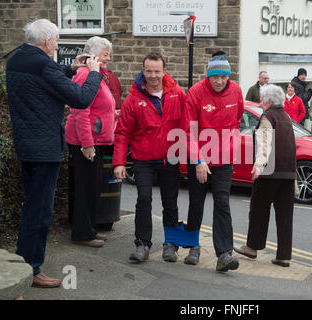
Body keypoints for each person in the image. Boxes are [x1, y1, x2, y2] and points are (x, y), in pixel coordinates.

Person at [6, 19, 102, 288]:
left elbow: (46, 78)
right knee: (40, 213)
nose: (58, 45)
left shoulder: (17, 59)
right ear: (47, 41)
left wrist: (71, 67)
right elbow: (81, 98)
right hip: (44, 149)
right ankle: (32, 269)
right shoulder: (43, 64)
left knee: (32, 208)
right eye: (57, 41)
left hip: (26, 145)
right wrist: (93, 72)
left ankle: (24, 263)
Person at [112, 52, 186, 263]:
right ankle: (142, 244)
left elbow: (187, 125)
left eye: (157, 71)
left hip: (170, 158)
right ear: (143, 71)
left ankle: (171, 245)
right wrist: (118, 162)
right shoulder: (134, 99)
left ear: (164, 71)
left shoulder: (177, 94)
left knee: (170, 203)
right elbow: (123, 131)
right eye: (149, 71)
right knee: (144, 199)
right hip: (143, 159)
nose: (153, 76)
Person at [182, 51, 244, 272]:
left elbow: (237, 120)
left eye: (224, 77)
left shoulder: (236, 91)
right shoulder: (196, 92)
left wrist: (230, 147)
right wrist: (199, 160)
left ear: (229, 76)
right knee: (196, 204)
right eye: (215, 77)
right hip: (198, 158)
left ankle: (224, 254)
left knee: (222, 203)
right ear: (207, 75)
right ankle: (192, 246)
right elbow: (189, 131)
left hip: (223, 159)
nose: (219, 81)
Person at [233, 84, 296, 267]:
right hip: (288, 174)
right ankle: (284, 256)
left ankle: (252, 248)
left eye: (261, 99)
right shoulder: (287, 118)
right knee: (285, 216)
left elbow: (264, 144)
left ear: (269, 100)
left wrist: (258, 166)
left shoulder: (268, 117)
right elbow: (291, 147)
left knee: (258, 211)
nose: (260, 103)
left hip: (269, 173)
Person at [65, 36, 116, 248]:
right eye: (105, 55)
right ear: (93, 55)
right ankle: (82, 234)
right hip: (86, 142)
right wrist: (87, 144)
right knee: (86, 188)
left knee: (91, 187)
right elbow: (79, 112)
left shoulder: (95, 74)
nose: (109, 58)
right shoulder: (85, 74)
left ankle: (89, 230)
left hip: (95, 139)